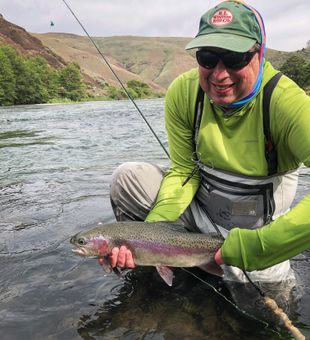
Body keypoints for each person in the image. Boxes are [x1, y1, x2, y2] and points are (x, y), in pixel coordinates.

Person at [107, 0, 310, 315]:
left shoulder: (288, 104)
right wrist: (152, 235)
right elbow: (185, 170)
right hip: (201, 214)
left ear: (260, 53)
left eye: (234, 58)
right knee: (128, 178)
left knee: (269, 312)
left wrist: (256, 248)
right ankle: (174, 265)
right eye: (208, 57)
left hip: (257, 232)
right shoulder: (183, 93)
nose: (219, 74)